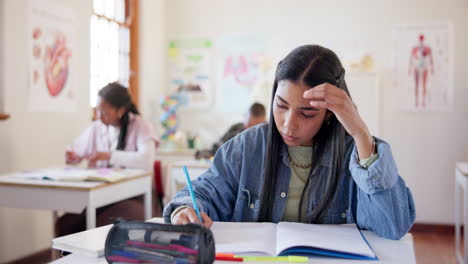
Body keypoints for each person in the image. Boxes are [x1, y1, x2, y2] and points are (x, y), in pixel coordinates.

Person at [164, 45, 415, 240]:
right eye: (281, 106)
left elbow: (394, 226)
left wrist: (361, 133)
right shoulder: (246, 148)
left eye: (306, 113)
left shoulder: (355, 153)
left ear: (330, 112)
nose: (287, 124)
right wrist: (184, 210)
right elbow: (203, 192)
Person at [57, 82, 157, 237]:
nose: (100, 117)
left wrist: (110, 155)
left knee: (100, 227)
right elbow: (77, 152)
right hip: (101, 197)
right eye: (98, 111)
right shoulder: (97, 128)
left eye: (105, 113)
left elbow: (146, 160)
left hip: (133, 196)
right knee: (65, 223)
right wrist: (72, 156)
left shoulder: (141, 126)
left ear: (121, 110)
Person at [195, 102, 266, 159]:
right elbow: (217, 148)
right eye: (249, 124)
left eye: (256, 127)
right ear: (245, 117)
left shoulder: (269, 136)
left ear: (264, 121)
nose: (251, 130)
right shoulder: (236, 129)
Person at [408, 34, 434, 108]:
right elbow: (411, 58)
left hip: (424, 67)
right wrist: (409, 68)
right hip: (417, 67)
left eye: (422, 39)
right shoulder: (415, 48)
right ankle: (416, 101)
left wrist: (432, 68)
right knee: (417, 84)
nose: (421, 40)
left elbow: (431, 58)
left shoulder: (427, 48)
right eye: (420, 39)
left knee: (424, 84)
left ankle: (423, 101)